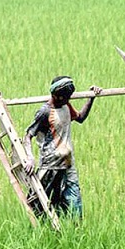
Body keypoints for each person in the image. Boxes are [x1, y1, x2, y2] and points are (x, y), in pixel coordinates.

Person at [23, 76, 102, 220]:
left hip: (68, 164)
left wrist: (91, 98)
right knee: (41, 203)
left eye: (68, 98)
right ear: (55, 96)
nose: (67, 101)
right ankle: (45, 231)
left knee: (74, 203)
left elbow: (80, 118)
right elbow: (28, 135)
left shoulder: (66, 105)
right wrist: (29, 158)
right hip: (50, 166)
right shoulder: (45, 112)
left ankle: (75, 233)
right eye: (64, 99)